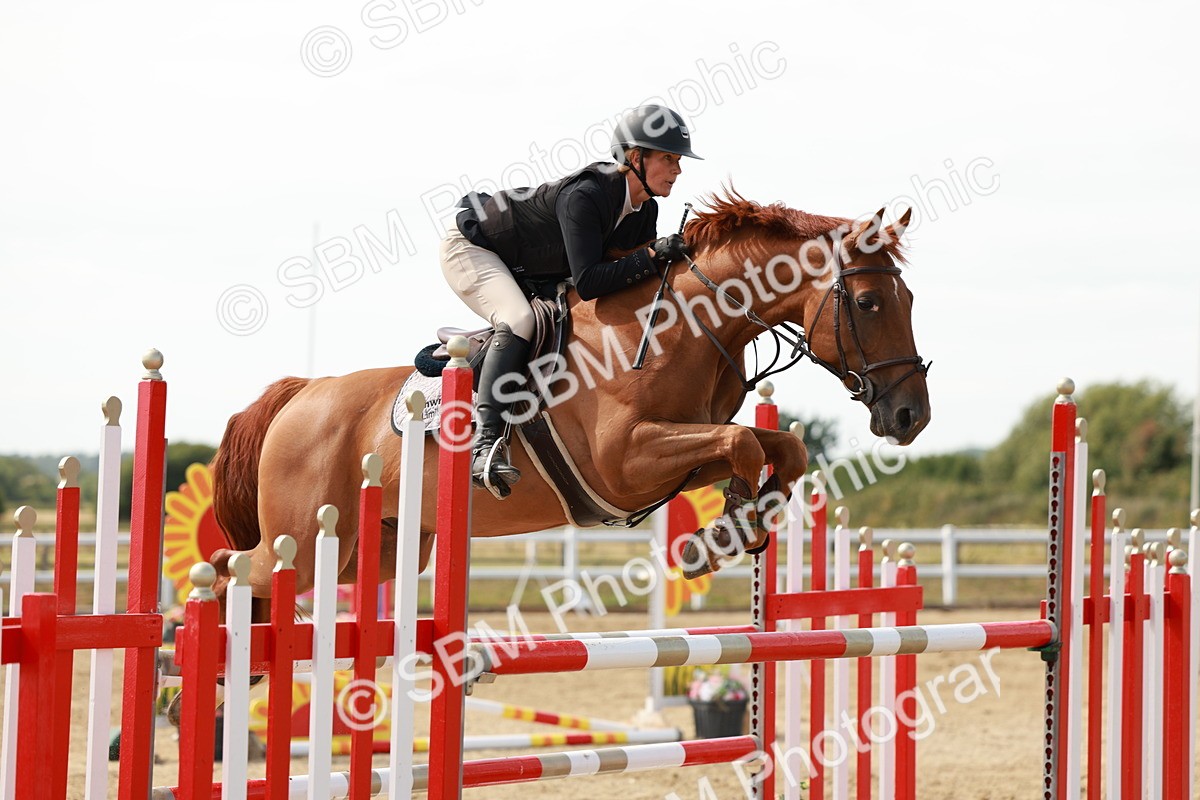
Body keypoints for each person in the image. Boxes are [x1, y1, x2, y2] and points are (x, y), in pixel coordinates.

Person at [440, 104, 702, 497]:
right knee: (519, 318)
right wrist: (651, 256)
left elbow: (630, 279)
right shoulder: (588, 194)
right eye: (668, 158)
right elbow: (592, 281)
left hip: (534, 268)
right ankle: (484, 446)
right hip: (473, 248)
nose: (677, 170)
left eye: (678, 160)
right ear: (635, 158)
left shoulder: (645, 210)